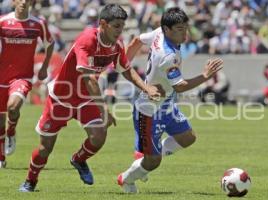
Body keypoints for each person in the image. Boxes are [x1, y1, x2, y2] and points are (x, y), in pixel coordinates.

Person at [19, 4, 163, 192]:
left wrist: (146, 88)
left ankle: (78, 159)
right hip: (62, 98)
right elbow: (89, 79)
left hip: (85, 99)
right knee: (46, 148)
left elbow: (127, 72)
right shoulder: (87, 40)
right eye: (117, 26)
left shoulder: (115, 46)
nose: (120, 31)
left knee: (99, 136)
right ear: (103, 24)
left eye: (122, 26)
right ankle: (31, 180)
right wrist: (104, 110)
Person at [117, 7, 223, 193]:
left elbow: (136, 41)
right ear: (167, 29)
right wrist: (205, 76)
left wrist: (121, 65)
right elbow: (180, 86)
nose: (185, 33)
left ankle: (145, 157)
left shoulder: (159, 32)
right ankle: (126, 178)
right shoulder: (168, 56)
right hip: (148, 110)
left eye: (186, 28)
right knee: (153, 162)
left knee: (188, 138)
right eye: (180, 29)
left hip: (165, 104)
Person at [0, 0, 54, 168]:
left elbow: (50, 43)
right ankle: (1, 157)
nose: (23, 2)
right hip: (1, 77)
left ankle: (11, 131)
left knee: (13, 108)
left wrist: (45, 67)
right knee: (1, 119)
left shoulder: (38, 24)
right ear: (13, 1)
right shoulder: (2, 21)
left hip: (22, 77)